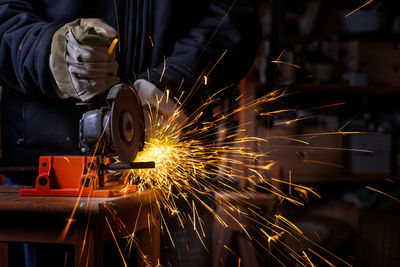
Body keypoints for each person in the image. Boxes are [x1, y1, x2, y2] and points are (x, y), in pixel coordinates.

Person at [0, 0, 261, 266]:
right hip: (50, 179)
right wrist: (45, 50)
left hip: (173, 174)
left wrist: (175, 83)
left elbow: (233, 13)